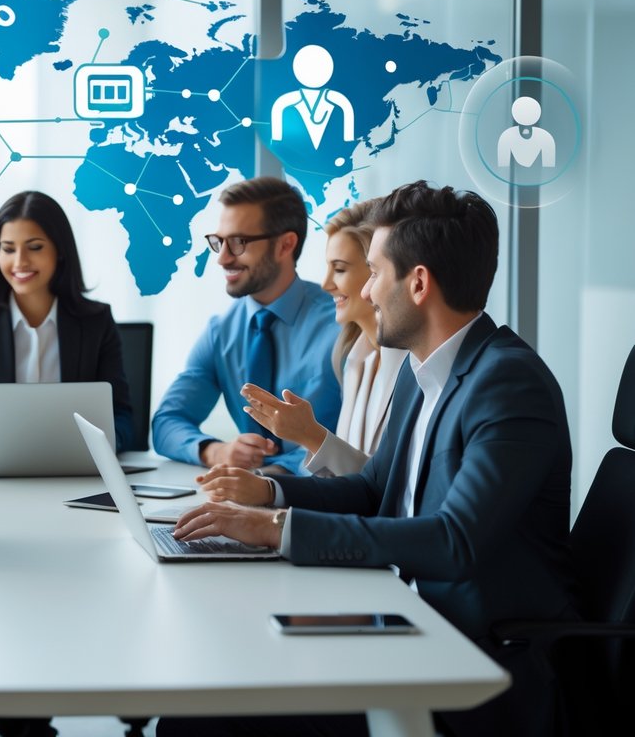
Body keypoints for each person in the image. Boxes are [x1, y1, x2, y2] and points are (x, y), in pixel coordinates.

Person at [160, 181, 574, 737]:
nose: (367, 292)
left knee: (201, 722)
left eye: (374, 273)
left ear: (419, 283)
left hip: (473, 656)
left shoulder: (506, 382)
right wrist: (269, 494)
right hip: (406, 619)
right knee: (215, 674)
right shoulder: (421, 369)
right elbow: (375, 489)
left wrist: (275, 529)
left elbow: (455, 542)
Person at [198, 199, 406, 503]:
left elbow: (384, 492)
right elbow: (352, 483)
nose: (326, 284)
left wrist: (306, 439)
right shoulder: (355, 358)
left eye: (339, 269)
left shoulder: (410, 369)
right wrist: (264, 488)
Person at [151, 176, 341, 475]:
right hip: (244, 494)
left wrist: (276, 476)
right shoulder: (221, 330)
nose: (222, 259)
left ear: (285, 245)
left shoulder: (341, 326)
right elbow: (167, 423)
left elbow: (357, 444)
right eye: (219, 242)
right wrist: (217, 451)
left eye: (239, 242)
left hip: (320, 503)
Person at [0, 190, 134, 465]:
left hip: (78, 473)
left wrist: (98, 449)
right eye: (8, 248)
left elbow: (122, 416)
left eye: (34, 247)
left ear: (59, 251)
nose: (19, 261)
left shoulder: (97, 321)